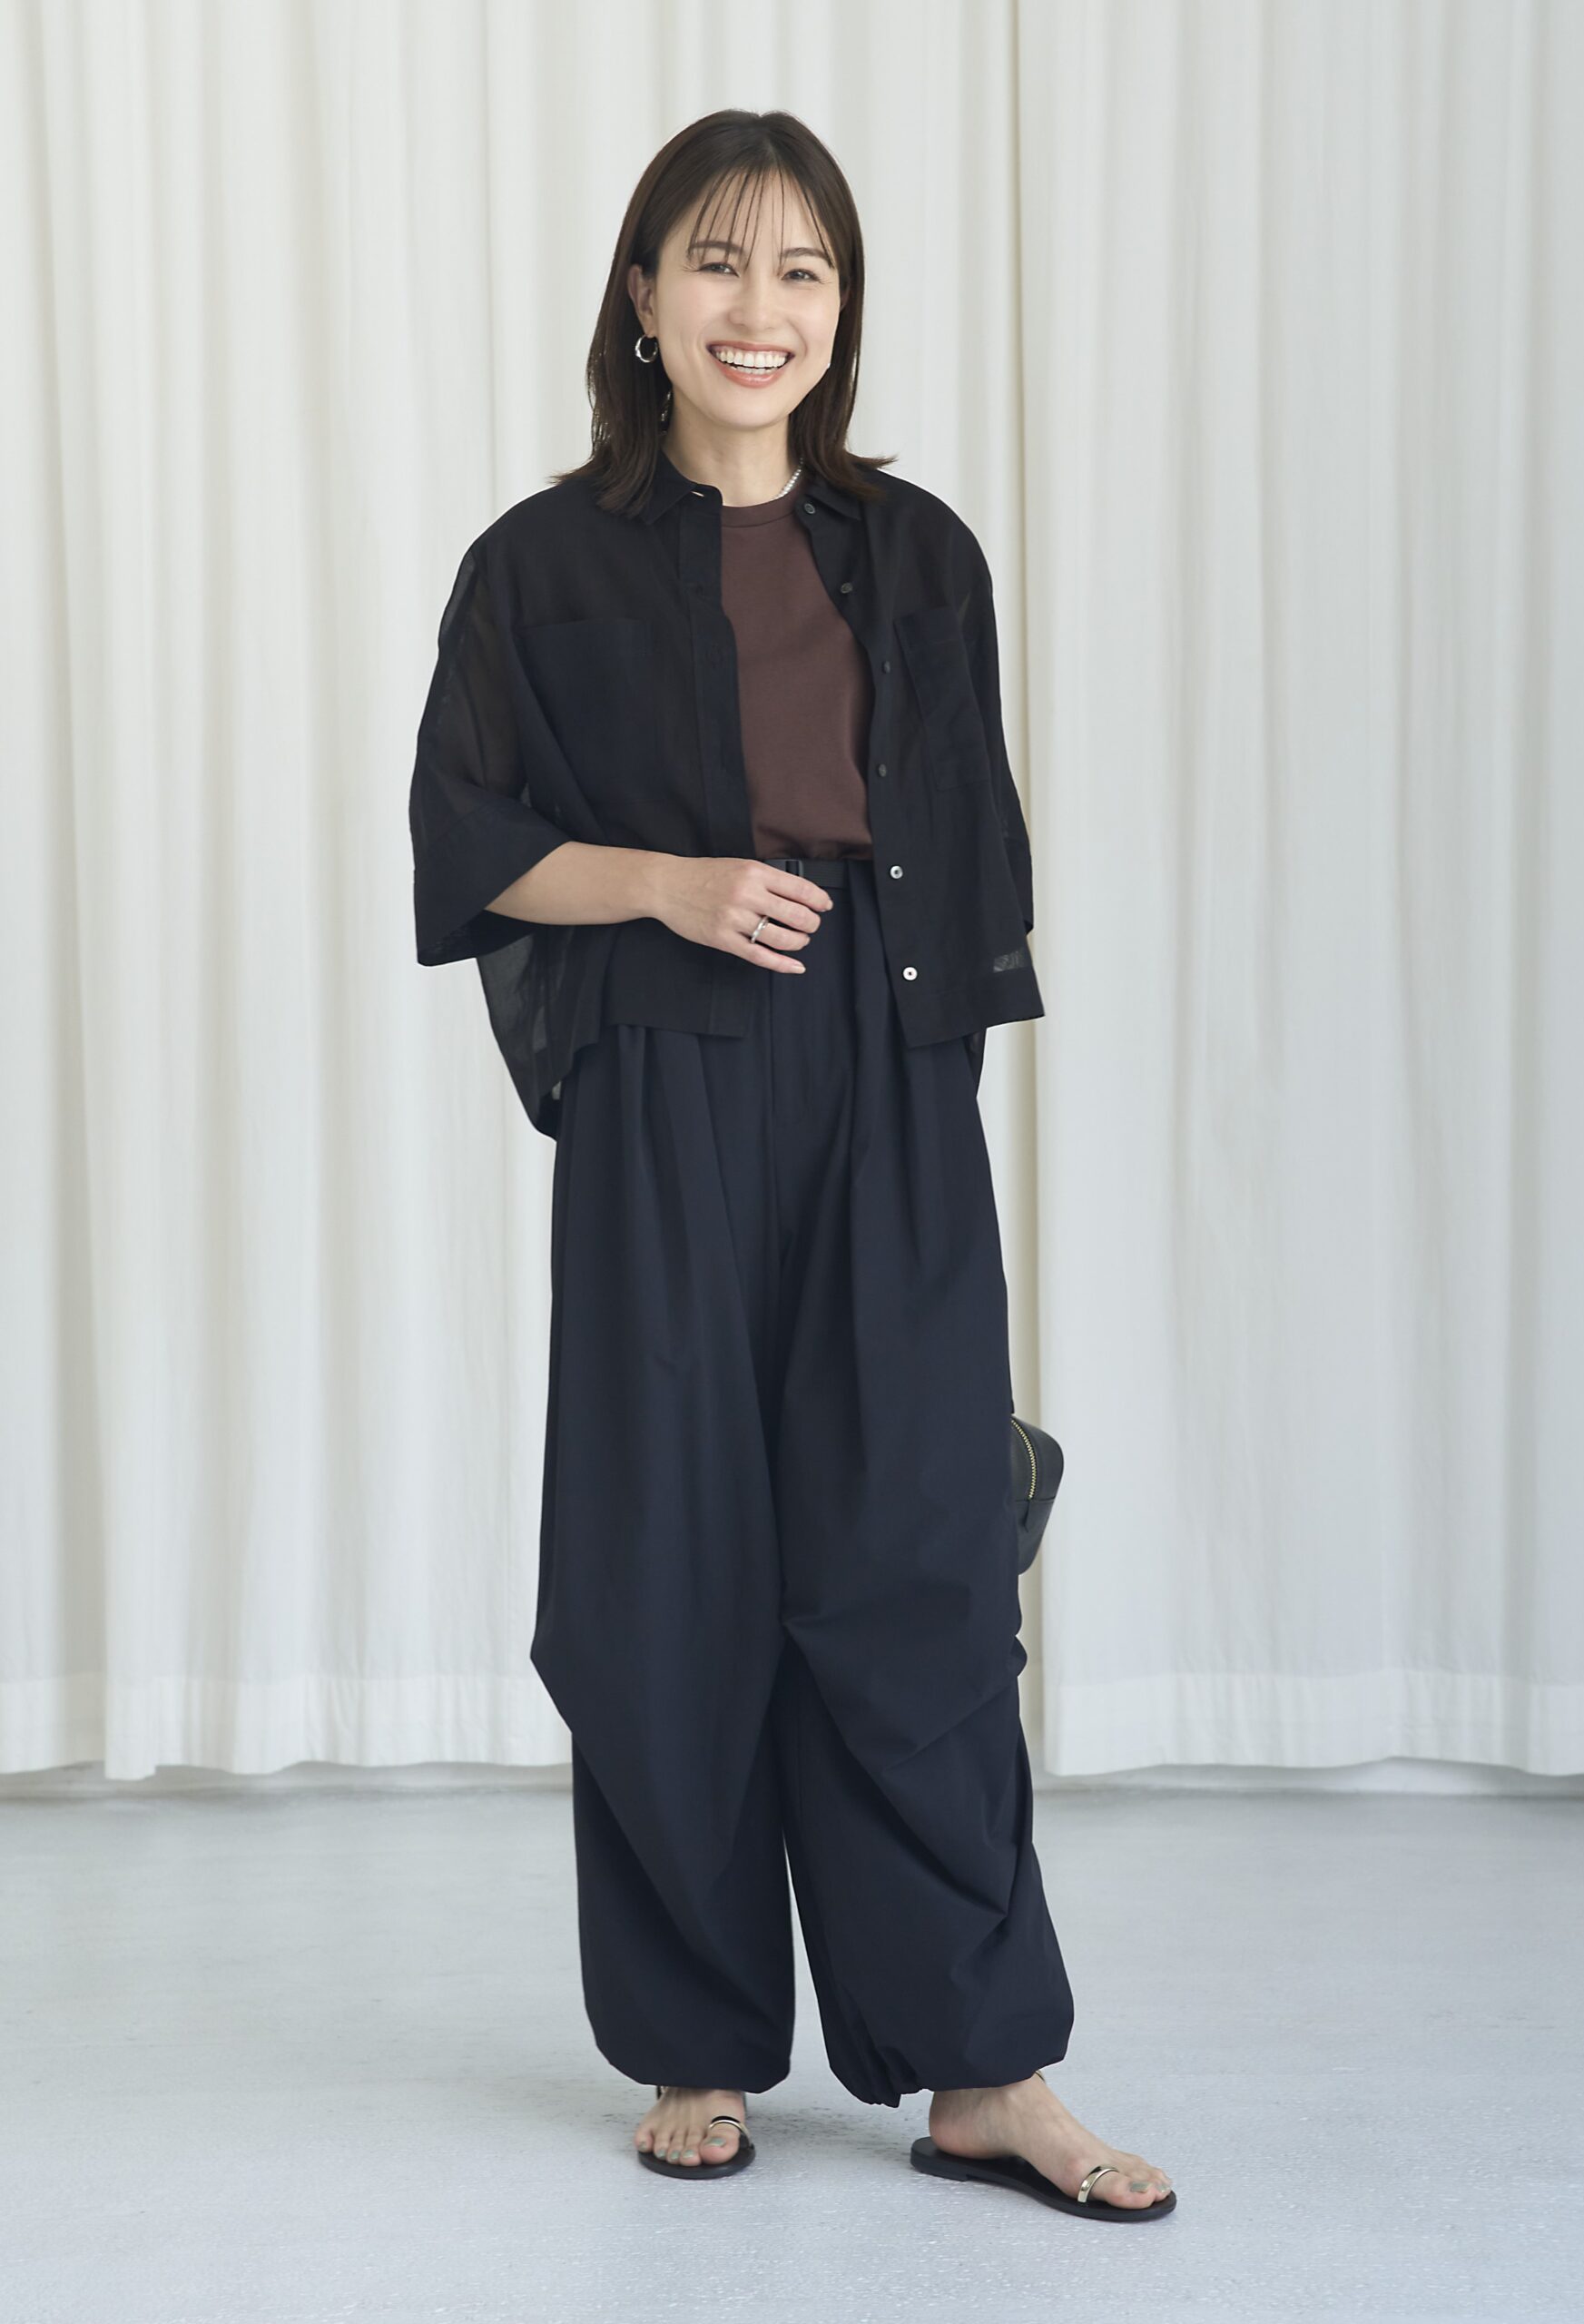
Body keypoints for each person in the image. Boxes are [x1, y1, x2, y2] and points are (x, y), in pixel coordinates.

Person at [408, 108, 1174, 2222]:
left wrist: (904, 1084)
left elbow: (973, 844)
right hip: (666, 1077)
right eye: (720, 261)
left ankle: (984, 2065)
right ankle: (694, 2035)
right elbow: (467, 844)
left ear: (843, 310)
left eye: (804, 269)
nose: (763, 307)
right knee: (670, 1556)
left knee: (921, 1553)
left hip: (884, 1076)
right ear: (643, 297)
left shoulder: (918, 555)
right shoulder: (537, 566)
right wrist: (667, 880)